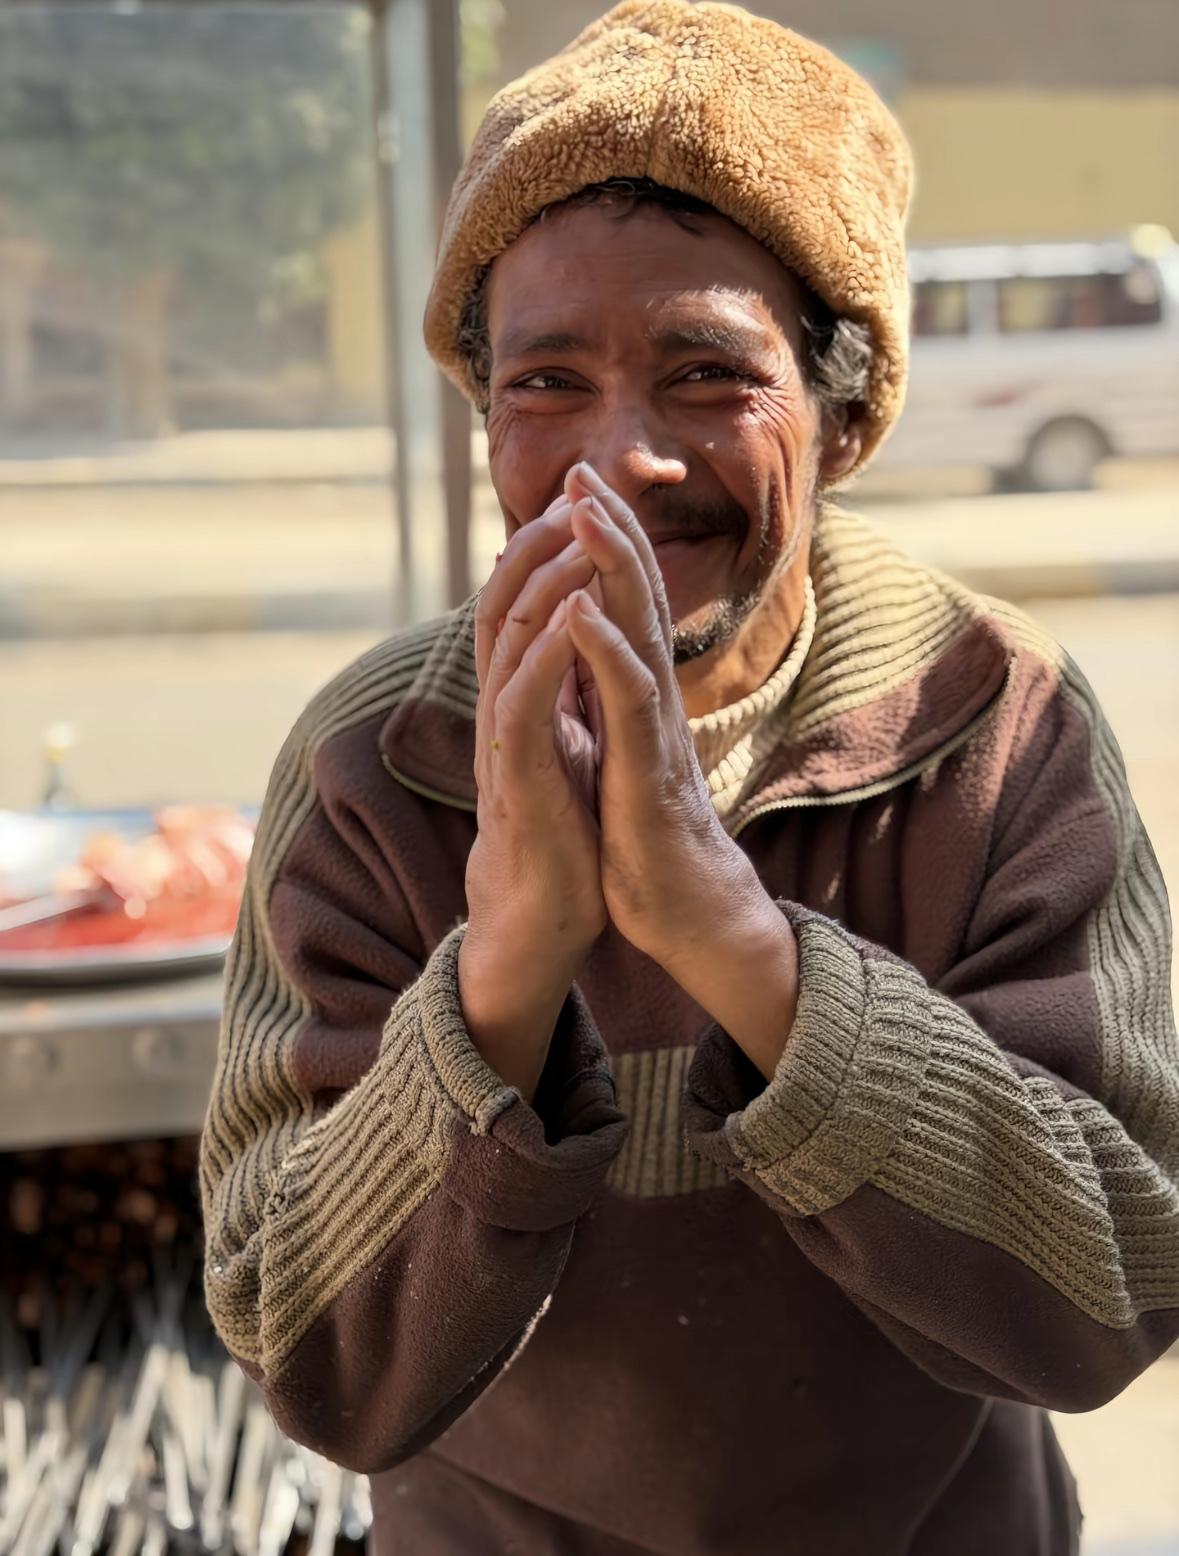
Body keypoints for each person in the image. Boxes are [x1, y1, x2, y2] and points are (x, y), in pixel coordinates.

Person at [198, 4, 1179, 1552]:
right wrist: (507, 973)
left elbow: (1113, 1288)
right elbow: (305, 1355)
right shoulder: (371, 766)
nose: (624, 458)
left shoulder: (998, 720)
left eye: (708, 373)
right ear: (481, 421)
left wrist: (737, 941)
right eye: (545, 385)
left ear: (843, 414)